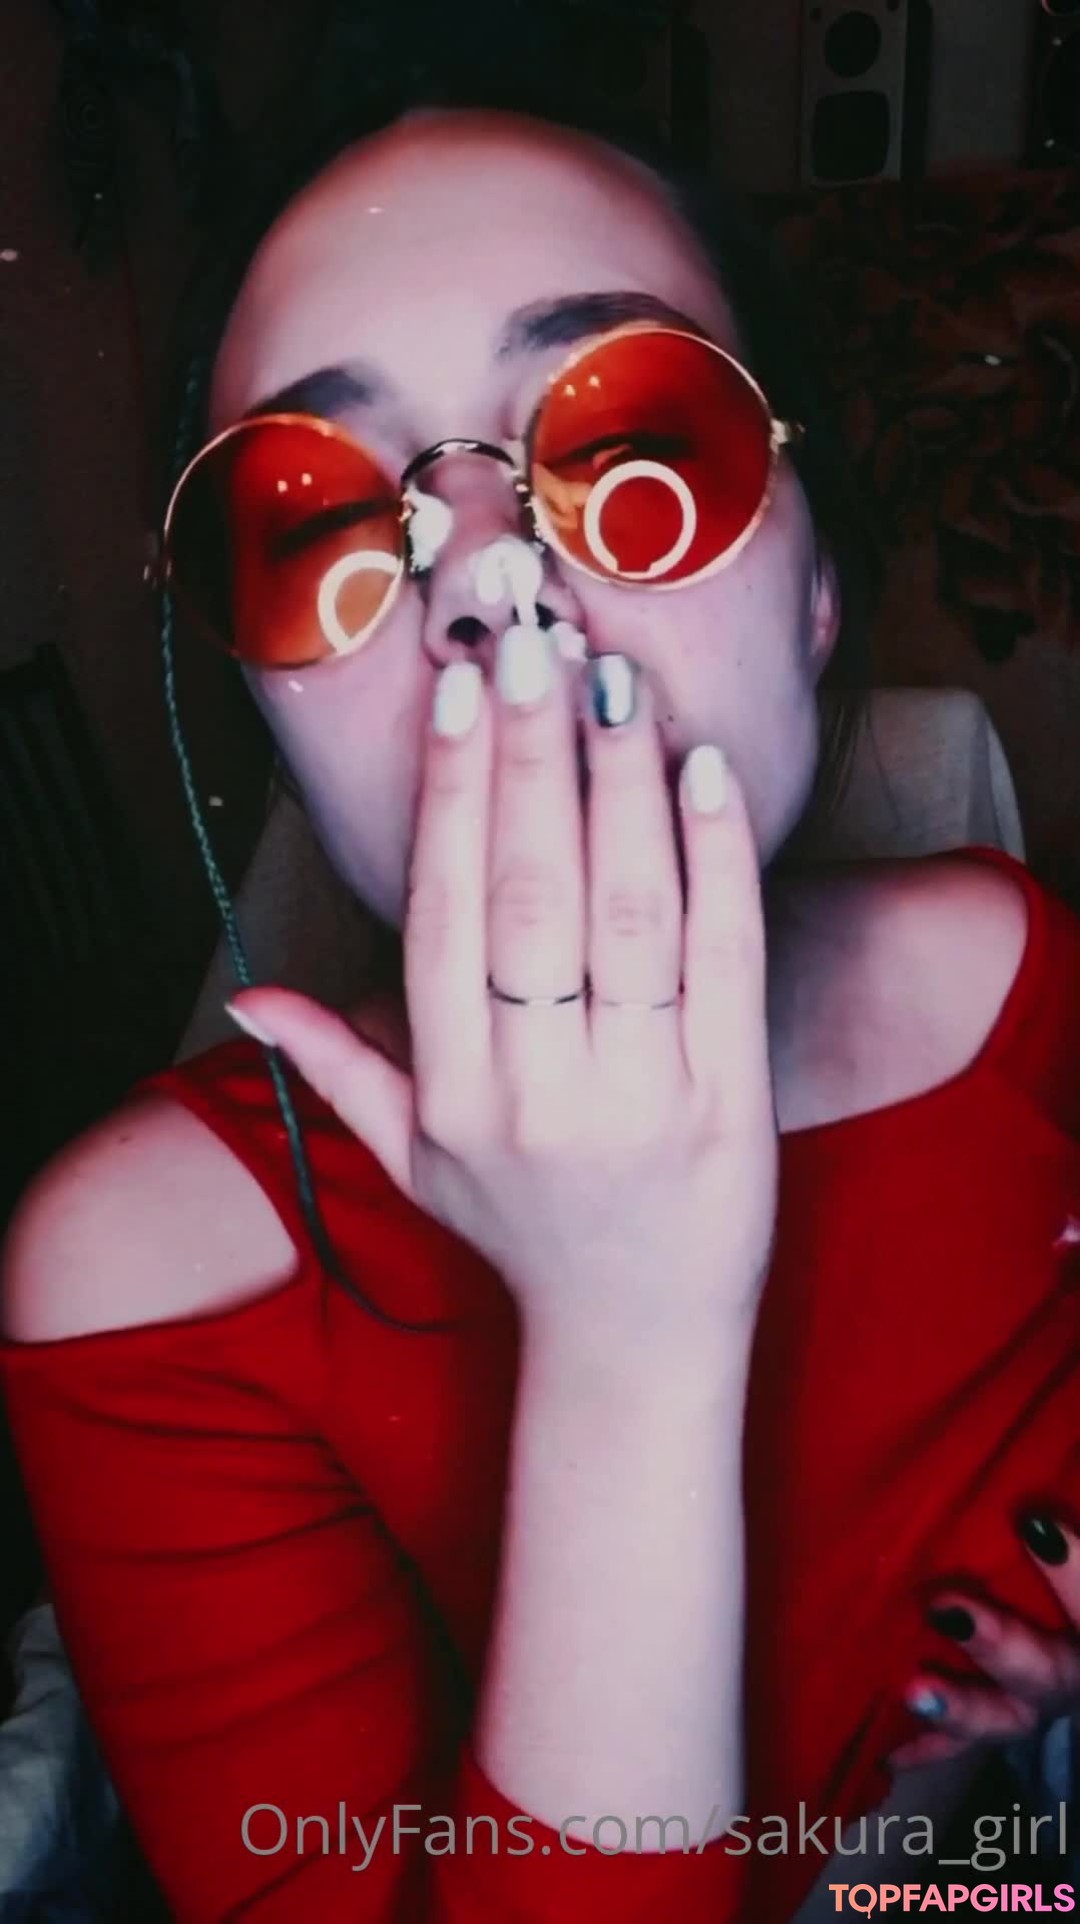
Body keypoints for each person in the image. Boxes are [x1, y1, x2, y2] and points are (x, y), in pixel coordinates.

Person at [2, 14, 1080, 1920]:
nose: (488, 574)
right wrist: (625, 1345)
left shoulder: (1011, 979)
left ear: (822, 592)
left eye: (637, 437)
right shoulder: (144, 1271)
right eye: (318, 521)